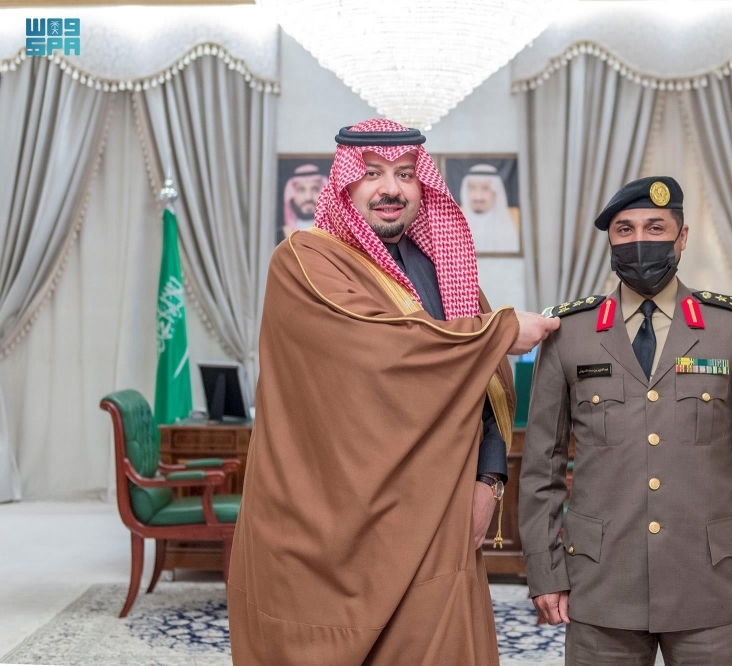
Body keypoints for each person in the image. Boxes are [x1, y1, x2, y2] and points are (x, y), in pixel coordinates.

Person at [227, 118, 559, 665]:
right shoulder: (304, 262)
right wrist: (498, 331)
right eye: (373, 173)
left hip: (439, 510)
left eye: (406, 174)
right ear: (344, 183)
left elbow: (485, 385)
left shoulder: (441, 269)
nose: (391, 189)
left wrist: (488, 481)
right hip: (335, 523)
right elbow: (384, 352)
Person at [519, 176, 732, 665]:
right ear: (610, 241)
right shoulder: (568, 333)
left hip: (710, 582)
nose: (639, 241)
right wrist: (545, 569)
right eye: (624, 230)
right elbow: (541, 468)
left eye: (655, 227)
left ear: (681, 238)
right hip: (601, 581)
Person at [460, 164, 520, 253]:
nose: (478, 196)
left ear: (496, 193)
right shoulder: (451, 224)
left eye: (485, 188)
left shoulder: (516, 222)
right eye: (472, 188)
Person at [281, 163, 326, 239]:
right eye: (301, 190)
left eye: (315, 189)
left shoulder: (334, 236)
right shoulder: (280, 235)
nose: (308, 197)